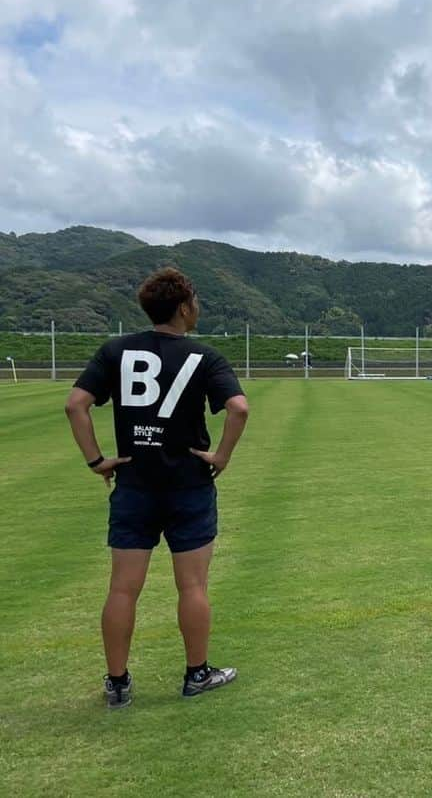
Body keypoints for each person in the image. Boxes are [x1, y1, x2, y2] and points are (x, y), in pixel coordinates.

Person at [65, 268, 249, 709]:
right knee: (193, 587)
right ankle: (196, 675)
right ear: (185, 307)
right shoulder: (205, 357)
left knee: (123, 588)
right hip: (188, 484)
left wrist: (96, 460)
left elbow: (76, 405)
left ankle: (118, 683)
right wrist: (221, 457)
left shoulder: (115, 351)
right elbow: (239, 408)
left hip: (134, 483)